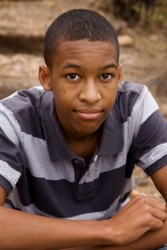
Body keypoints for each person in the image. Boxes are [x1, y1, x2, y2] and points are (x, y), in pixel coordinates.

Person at [0, 8, 167, 250]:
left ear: (119, 76)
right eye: (73, 76)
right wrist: (111, 230)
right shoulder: (13, 119)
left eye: (106, 76)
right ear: (46, 77)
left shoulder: (134, 107)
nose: (91, 95)